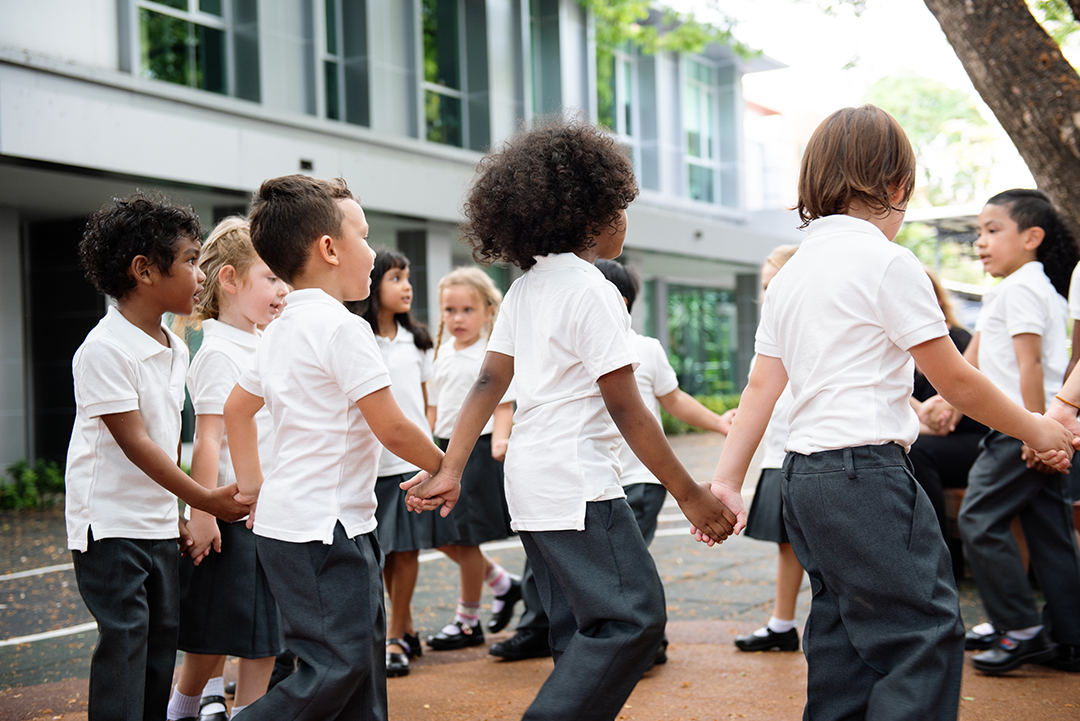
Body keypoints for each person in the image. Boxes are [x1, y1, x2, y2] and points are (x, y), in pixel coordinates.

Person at [703, 106, 1074, 721]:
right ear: (898, 187)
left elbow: (761, 389)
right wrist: (1040, 426)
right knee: (921, 635)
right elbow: (956, 378)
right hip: (866, 477)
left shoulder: (792, 275)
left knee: (842, 636)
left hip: (804, 477)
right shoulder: (888, 262)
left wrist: (726, 481)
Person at [404, 118, 737, 721]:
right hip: (578, 482)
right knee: (632, 618)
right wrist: (688, 492)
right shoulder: (592, 289)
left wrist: (452, 465)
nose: (626, 219)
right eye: (622, 206)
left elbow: (487, 382)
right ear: (592, 214)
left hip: (531, 483)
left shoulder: (528, 286)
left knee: (576, 628)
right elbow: (627, 405)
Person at [223, 175, 444, 721]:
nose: (371, 250)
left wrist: (253, 487)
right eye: (364, 236)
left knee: (359, 668)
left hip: (306, 526)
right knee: (340, 668)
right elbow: (391, 428)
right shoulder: (342, 329)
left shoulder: (278, 329)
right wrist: (447, 465)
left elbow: (236, 408)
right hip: (326, 532)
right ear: (328, 248)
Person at [65, 192, 248, 721]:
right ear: (145, 270)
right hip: (110, 527)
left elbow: (166, 442)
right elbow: (137, 444)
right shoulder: (104, 349)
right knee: (126, 643)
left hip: (155, 525)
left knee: (161, 642)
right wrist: (203, 500)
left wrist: (177, 517)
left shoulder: (175, 345)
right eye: (191, 260)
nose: (200, 274)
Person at [932, 189, 1080, 675]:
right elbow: (977, 352)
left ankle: (1020, 629)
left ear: (1032, 237)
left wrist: (1036, 432)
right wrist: (948, 402)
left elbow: (1030, 364)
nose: (980, 242)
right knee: (1051, 532)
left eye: (993, 231)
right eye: (978, 232)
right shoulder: (1017, 287)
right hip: (1031, 429)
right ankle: (1069, 638)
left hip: (1020, 429)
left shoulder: (1022, 289)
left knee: (977, 519)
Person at [166, 218, 288, 721]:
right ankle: (181, 710)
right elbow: (209, 437)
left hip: (270, 512)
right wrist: (203, 512)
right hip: (233, 514)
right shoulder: (218, 351)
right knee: (215, 636)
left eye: (284, 279)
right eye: (271, 278)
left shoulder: (264, 342)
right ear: (231, 281)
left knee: (263, 638)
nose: (283, 290)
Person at [594, 258, 733, 664]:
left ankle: (648, 640)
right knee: (604, 563)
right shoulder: (575, 345)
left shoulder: (644, 349)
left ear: (616, 301)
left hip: (640, 477)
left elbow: (674, 400)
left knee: (628, 561)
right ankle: (620, 637)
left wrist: (719, 424)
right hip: (599, 477)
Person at [346, 249, 435, 677]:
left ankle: (397, 634)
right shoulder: (358, 337)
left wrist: (431, 451)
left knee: (408, 551)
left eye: (407, 277)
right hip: (372, 464)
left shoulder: (418, 340)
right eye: (396, 278)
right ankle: (404, 627)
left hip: (411, 464)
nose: (406, 286)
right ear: (374, 283)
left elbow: (426, 402)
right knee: (382, 553)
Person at [424, 267, 521, 652]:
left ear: (488, 311)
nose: (457, 318)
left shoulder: (489, 354)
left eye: (467, 309)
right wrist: (425, 448)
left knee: (463, 540)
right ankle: (502, 583)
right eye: (450, 310)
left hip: (477, 453)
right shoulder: (441, 353)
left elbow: (503, 405)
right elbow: (432, 409)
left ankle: (467, 621)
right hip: (443, 451)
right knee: (441, 536)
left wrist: (500, 440)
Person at [728, 245, 805, 654]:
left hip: (807, 451)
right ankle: (782, 622)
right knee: (787, 543)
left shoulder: (810, 323)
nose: (768, 293)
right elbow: (762, 391)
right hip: (779, 453)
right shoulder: (772, 331)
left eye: (775, 283)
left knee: (818, 546)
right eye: (764, 286)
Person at [908, 268, 988, 579]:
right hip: (931, 437)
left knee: (916, 451)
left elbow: (946, 422)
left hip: (974, 441)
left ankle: (942, 564)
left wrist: (921, 413)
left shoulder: (957, 339)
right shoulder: (899, 347)